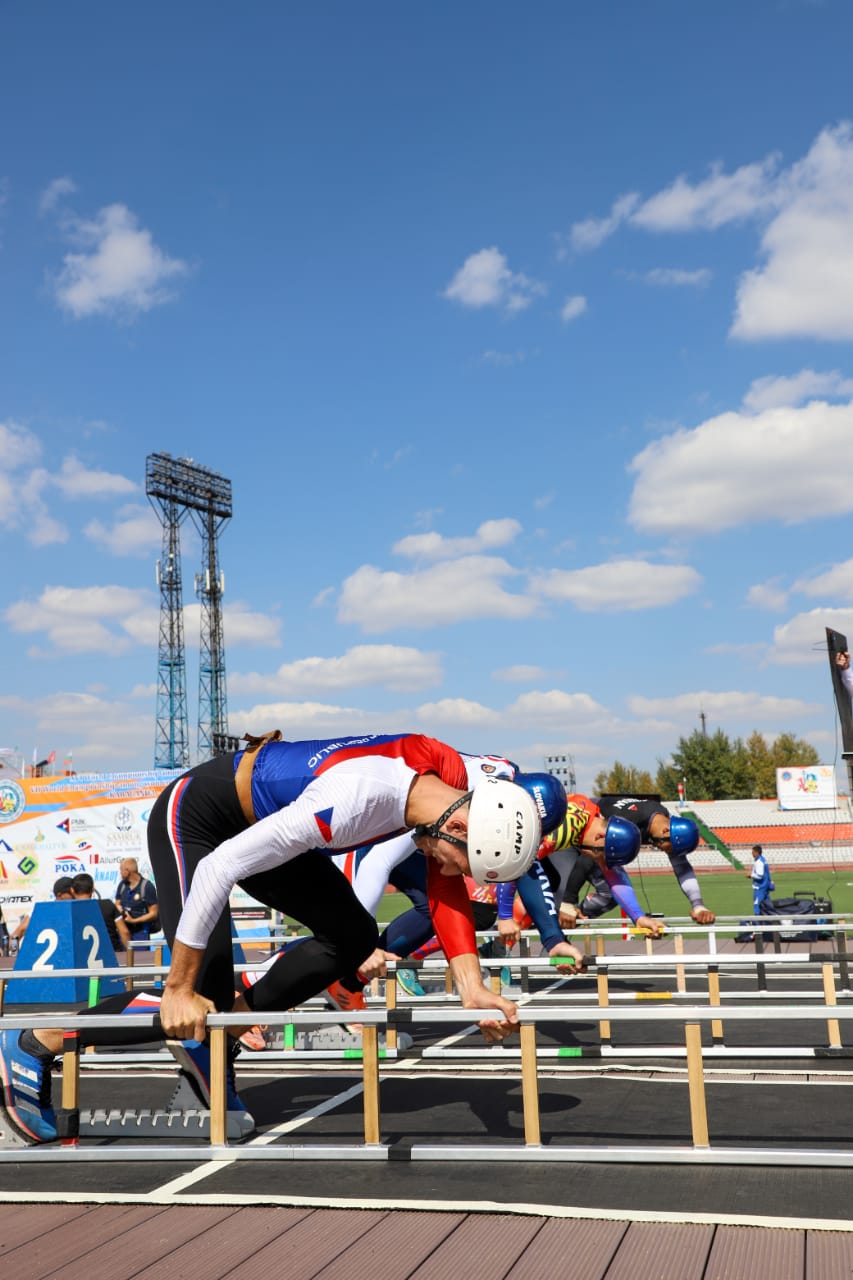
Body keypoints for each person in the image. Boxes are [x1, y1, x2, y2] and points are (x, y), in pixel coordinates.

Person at [0, 731, 543, 1145]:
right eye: (463, 862)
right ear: (460, 828)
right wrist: (179, 986)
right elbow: (218, 869)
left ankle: (220, 1033)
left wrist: (472, 988)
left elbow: (445, 887)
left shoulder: (468, 785)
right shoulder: (351, 801)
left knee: (353, 935)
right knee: (195, 998)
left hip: (269, 821)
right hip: (200, 819)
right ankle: (35, 1041)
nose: (454, 874)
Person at [556, 797, 713, 927]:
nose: (665, 852)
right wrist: (569, 901)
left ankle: (572, 919)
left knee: (609, 896)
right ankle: (556, 919)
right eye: (668, 848)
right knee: (562, 900)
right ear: (666, 831)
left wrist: (698, 905)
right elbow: (588, 859)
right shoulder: (628, 822)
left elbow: (682, 866)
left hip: (595, 847)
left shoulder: (662, 819)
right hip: (576, 837)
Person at [71, 873, 131, 954]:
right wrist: (130, 956)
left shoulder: (70, 910)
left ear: (72, 890)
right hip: (113, 955)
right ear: (92, 889)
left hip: (82, 958)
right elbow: (124, 932)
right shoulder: (108, 905)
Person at [114, 858, 159, 943]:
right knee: (123, 956)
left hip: (141, 932)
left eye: (121, 870)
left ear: (127, 871)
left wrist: (134, 920)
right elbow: (117, 903)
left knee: (140, 956)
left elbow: (153, 914)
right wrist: (119, 909)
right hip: (124, 930)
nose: (120, 873)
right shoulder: (122, 885)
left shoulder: (147, 886)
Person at [748, 843, 773, 912]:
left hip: (760, 888)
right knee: (768, 907)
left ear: (756, 852)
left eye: (752, 852)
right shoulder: (763, 860)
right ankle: (769, 921)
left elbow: (759, 876)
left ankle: (758, 922)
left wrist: (750, 876)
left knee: (757, 907)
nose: (752, 854)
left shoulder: (759, 862)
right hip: (765, 887)